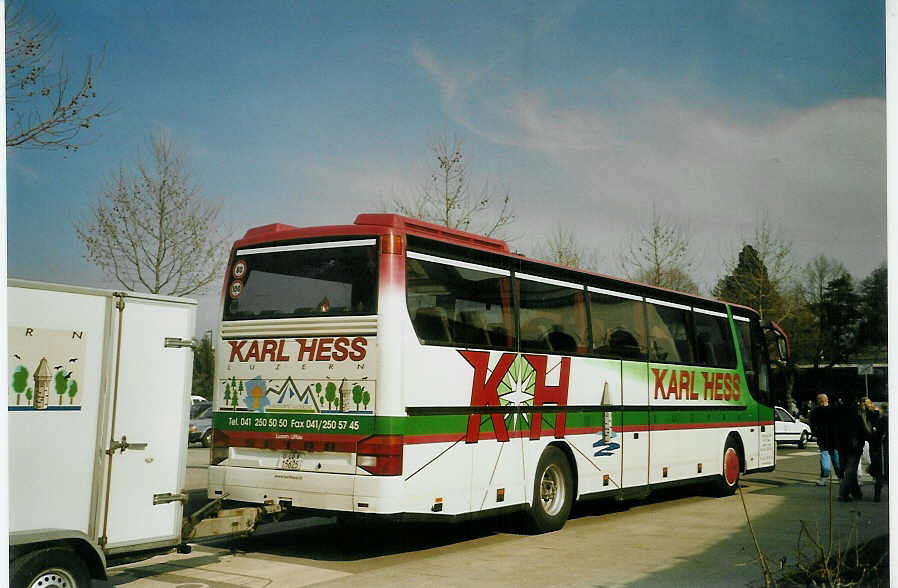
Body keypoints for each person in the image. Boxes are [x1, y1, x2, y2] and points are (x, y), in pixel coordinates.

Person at [836, 394, 872, 502]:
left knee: (848, 469)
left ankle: (856, 491)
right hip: (854, 444)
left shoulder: (839, 411)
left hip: (842, 444)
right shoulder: (857, 413)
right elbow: (863, 428)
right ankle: (843, 493)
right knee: (851, 469)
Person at [809, 393, 840, 486]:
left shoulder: (815, 411)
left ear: (819, 401)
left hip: (823, 437)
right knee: (836, 458)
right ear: (827, 400)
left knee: (825, 456)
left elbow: (812, 425)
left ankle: (824, 477)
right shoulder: (835, 410)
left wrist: (816, 434)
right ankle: (840, 477)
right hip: (835, 438)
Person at [864, 398, 888, 502]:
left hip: (881, 449)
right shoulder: (883, 419)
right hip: (884, 448)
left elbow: (877, 435)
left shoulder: (882, 419)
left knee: (880, 473)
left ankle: (877, 494)